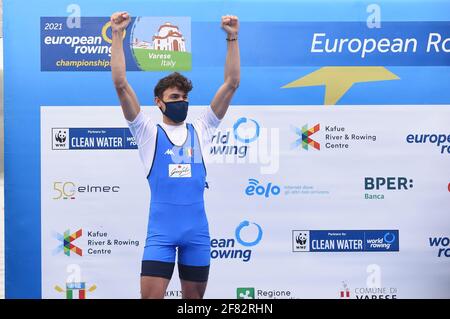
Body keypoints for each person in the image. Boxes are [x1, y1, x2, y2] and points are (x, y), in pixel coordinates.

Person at [110, 12, 240, 299]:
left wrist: (232, 37)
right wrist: (118, 34)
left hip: (197, 236)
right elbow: (120, 84)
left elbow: (231, 83)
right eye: (174, 98)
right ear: (158, 103)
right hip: (161, 236)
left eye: (184, 97)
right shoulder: (147, 132)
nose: (181, 102)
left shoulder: (203, 127)